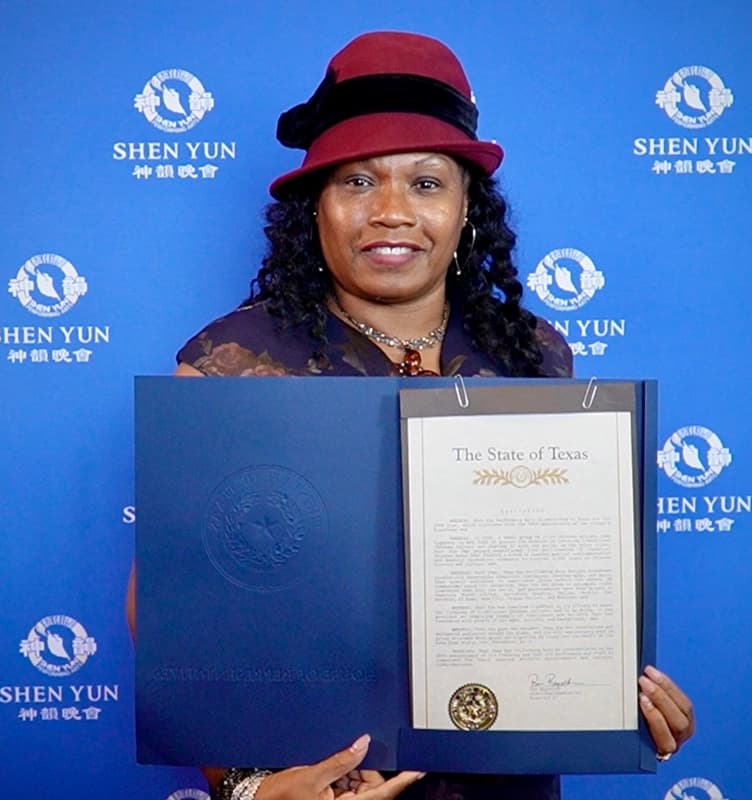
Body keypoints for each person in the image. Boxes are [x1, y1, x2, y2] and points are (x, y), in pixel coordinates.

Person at [135, 30, 695, 800]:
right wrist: (249, 788)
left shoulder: (537, 355)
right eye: (358, 182)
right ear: (315, 208)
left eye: (426, 183)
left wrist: (621, 709)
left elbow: (560, 586)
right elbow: (171, 616)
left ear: (468, 206)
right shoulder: (232, 361)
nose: (391, 212)